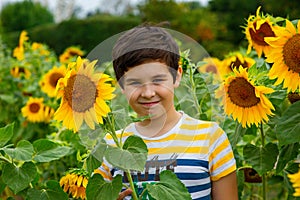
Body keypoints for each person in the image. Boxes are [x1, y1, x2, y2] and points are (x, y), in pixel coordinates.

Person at [98, 25, 238, 200]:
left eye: (158, 80)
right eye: (135, 82)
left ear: (177, 76)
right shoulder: (111, 146)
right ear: (121, 85)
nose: (148, 93)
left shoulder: (210, 137)